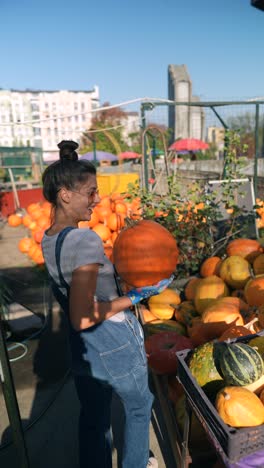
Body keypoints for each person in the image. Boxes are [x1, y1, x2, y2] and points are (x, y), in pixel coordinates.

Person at [41, 140, 173, 468]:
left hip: (82, 349)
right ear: (65, 194)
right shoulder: (85, 240)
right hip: (110, 341)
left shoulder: (49, 237)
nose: (97, 200)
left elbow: (77, 292)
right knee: (141, 406)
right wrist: (135, 297)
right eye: (90, 192)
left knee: (95, 418)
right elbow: (83, 316)